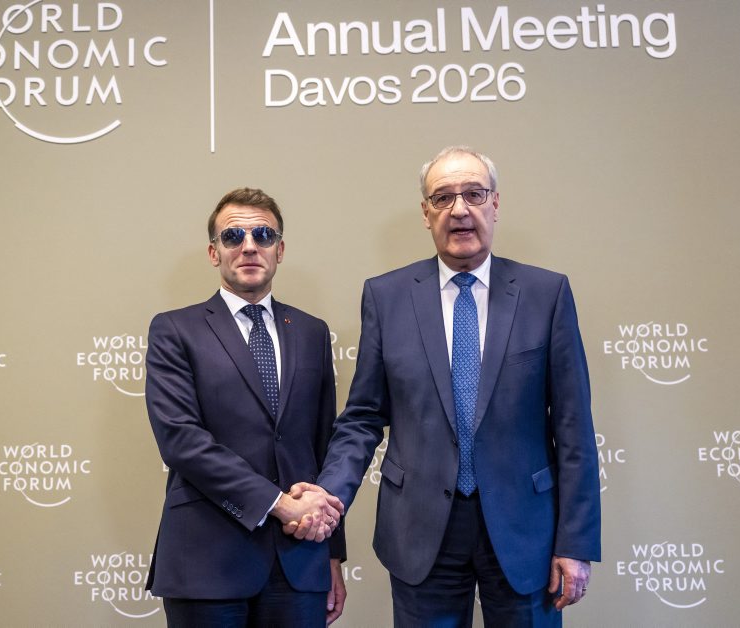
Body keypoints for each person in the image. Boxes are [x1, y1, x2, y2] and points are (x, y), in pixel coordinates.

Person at [292, 146, 601, 626]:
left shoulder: (547, 293)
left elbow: (574, 428)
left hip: (524, 530)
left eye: (474, 194)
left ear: (495, 204)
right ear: (426, 213)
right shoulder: (386, 296)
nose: (459, 210)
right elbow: (363, 418)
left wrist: (575, 542)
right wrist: (328, 497)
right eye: (443, 197)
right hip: (419, 530)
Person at [144, 187, 346, 627]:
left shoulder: (312, 331)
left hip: (299, 560)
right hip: (206, 561)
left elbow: (324, 444)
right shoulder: (175, 330)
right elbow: (181, 441)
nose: (249, 246)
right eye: (233, 236)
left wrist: (332, 552)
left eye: (263, 235)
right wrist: (278, 503)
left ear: (280, 250)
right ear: (213, 252)